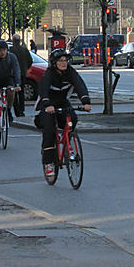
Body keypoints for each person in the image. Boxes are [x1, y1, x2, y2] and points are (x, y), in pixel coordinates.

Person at [36, 48, 91, 179]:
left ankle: (67, 142)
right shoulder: (49, 74)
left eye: (65, 60)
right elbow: (43, 89)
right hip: (47, 104)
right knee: (49, 131)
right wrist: (47, 104)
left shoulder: (70, 72)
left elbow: (79, 85)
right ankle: (48, 163)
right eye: (60, 60)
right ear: (54, 63)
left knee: (73, 119)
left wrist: (86, 101)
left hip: (62, 102)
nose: (63, 63)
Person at [10, 35, 32, 117]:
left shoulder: (11, 50)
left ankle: (17, 110)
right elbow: (30, 60)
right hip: (22, 73)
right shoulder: (24, 49)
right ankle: (22, 110)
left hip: (13, 74)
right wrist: (26, 68)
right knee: (21, 92)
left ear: (13, 41)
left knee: (14, 93)